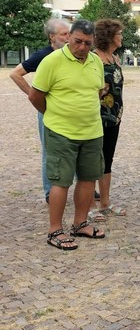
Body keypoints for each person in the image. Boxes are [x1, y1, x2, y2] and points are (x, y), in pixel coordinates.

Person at [28, 19, 106, 250]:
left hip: (92, 132)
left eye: (87, 43)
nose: (82, 47)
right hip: (61, 132)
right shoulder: (52, 61)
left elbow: (97, 91)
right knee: (60, 181)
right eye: (77, 41)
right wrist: (53, 116)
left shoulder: (95, 62)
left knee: (88, 179)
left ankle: (80, 223)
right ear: (69, 37)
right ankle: (55, 230)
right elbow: (35, 96)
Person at [9, 18, 70, 203]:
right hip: (48, 110)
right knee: (50, 151)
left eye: (69, 33)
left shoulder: (71, 54)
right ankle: (50, 192)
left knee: (74, 148)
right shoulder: (42, 55)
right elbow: (15, 73)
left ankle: (82, 188)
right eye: (63, 34)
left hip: (69, 110)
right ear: (52, 37)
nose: (68, 38)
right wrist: (34, 96)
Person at [87, 18, 127, 222]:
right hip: (98, 117)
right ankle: (90, 206)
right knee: (93, 161)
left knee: (107, 160)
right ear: (110, 36)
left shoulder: (114, 58)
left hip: (114, 117)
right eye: (119, 33)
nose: (121, 36)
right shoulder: (94, 59)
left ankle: (105, 203)